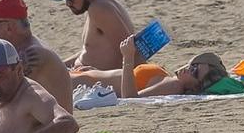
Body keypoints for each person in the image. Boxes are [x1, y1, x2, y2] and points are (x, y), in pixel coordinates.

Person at [0, 0, 73, 110]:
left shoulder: (33, 54)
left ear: (9, 27)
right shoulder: (20, 48)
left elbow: (2, 96)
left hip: (51, 125)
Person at [49, 0, 136, 73]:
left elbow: (130, 53)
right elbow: (91, 50)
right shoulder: (101, 3)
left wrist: (97, 74)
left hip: (101, 82)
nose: (67, 4)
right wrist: (59, 66)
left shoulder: (99, 9)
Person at [83, 36, 229, 98]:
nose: (189, 68)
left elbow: (130, 98)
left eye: (195, 72)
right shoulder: (170, 79)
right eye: (193, 64)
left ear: (197, 87)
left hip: (85, 84)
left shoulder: (174, 85)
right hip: (87, 78)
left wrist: (128, 56)